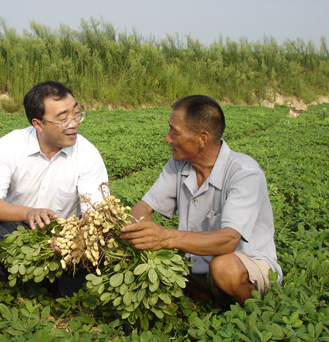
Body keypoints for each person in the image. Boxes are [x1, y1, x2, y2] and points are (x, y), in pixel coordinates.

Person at [121, 95, 282, 304]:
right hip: (196, 267)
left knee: (224, 268)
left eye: (174, 132)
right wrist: (138, 233)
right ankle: (206, 298)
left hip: (247, 264)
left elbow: (228, 240)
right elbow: (143, 207)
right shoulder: (180, 164)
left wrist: (165, 238)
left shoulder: (244, 172)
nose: (167, 138)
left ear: (202, 138)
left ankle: (255, 315)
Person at [0, 81, 108, 295]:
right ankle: (1, 286)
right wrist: (28, 212)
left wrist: (71, 238)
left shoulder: (87, 153)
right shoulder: (10, 145)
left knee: (102, 243)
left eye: (76, 114)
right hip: (18, 228)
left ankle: (62, 287)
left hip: (67, 232)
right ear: (38, 124)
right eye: (63, 119)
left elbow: (95, 215)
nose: (73, 124)